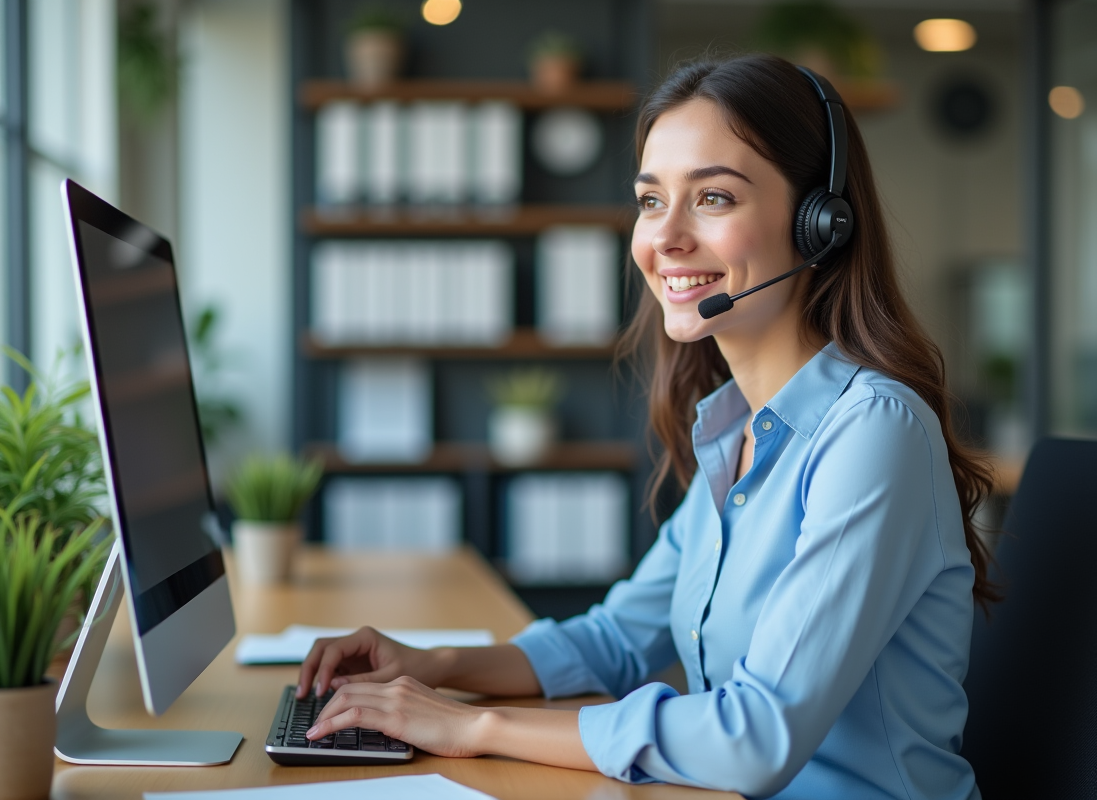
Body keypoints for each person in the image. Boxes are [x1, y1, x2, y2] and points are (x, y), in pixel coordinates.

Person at [297, 54, 996, 800]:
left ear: (819, 227)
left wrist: (474, 726)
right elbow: (616, 639)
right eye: (650, 199)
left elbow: (754, 738)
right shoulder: (743, 436)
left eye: (714, 199)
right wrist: (433, 667)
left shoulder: (873, 435)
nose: (665, 237)